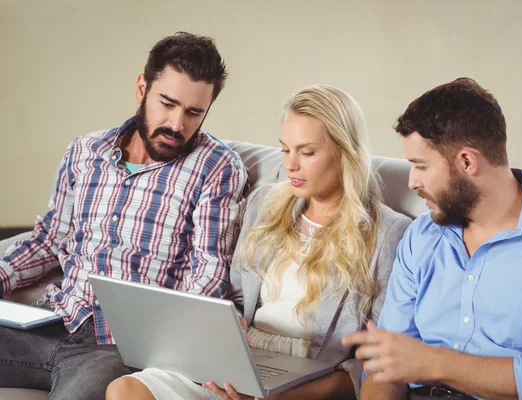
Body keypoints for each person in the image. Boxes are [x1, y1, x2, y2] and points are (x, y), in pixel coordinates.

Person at [105, 84, 412, 400]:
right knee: (126, 389)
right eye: (285, 149)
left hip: (304, 381)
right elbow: (236, 298)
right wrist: (229, 324)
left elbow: (377, 364)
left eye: (307, 152)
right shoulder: (264, 205)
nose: (291, 165)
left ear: (345, 152)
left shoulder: (388, 233)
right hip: (240, 364)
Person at [0, 32, 249, 400]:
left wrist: (170, 347)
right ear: (141, 88)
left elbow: (208, 274)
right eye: (167, 103)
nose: (177, 124)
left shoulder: (216, 167)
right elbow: (50, 240)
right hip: (52, 320)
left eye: (194, 112)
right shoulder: (86, 151)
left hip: (115, 350)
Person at [344, 77, 522, 400]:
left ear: (467, 162)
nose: (411, 182)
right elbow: (384, 370)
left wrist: (434, 363)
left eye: (420, 166)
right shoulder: (421, 237)